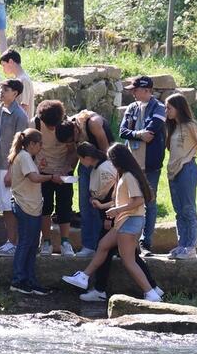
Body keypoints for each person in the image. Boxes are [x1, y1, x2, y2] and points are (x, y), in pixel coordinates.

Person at [62, 144, 163, 302]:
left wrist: (116, 211)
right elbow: (121, 200)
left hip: (130, 221)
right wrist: (103, 206)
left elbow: (138, 200)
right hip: (124, 221)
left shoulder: (129, 176)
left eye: (111, 159)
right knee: (103, 245)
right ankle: (83, 277)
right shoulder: (124, 176)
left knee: (128, 261)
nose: (110, 163)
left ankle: (150, 293)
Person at [119, 76, 167, 251]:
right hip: (132, 164)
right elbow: (123, 131)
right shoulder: (131, 107)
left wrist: (135, 133)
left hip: (151, 164)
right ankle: (130, 240)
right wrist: (138, 134)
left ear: (147, 90)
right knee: (130, 200)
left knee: (150, 202)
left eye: (136, 89)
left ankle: (146, 242)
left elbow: (151, 132)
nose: (132, 92)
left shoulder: (159, 108)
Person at [6, 128, 55, 295]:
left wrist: (40, 168)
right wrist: (51, 177)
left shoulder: (26, 157)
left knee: (33, 245)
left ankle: (29, 280)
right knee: (26, 243)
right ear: (32, 144)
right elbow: (33, 178)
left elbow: (30, 175)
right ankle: (18, 280)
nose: (41, 147)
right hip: (25, 206)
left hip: (30, 206)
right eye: (40, 144)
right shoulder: (25, 156)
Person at [164, 93, 197, 260]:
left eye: (169, 108)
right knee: (179, 211)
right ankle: (182, 245)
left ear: (178, 108)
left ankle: (191, 247)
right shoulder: (173, 127)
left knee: (188, 209)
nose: (166, 111)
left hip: (187, 170)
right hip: (173, 172)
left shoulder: (191, 125)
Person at [0, 79, 29, 256]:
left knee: (10, 206)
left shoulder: (20, 115)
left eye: (6, 89)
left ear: (15, 93)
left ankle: (14, 242)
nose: (1, 92)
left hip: (8, 167)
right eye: (1, 89)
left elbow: (20, 147)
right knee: (3, 206)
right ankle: (10, 241)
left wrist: (11, 171)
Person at [33, 101, 77, 256]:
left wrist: (65, 170)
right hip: (43, 173)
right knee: (45, 207)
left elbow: (73, 151)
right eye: (49, 125)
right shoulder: (35, 124)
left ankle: (65, 242)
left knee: (65, 207)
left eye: (54, 125)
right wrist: (38, 168)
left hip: (64, 173)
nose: (52, 128)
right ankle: (46, 241)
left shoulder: (68, 125)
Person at [70, 107, 113, 259]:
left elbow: (107, 151)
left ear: (76, 129)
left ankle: (106, 246)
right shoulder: (70, 126)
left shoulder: (93, 123)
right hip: (86, 164)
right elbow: (75, 152)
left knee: (103, 205)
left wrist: (102, 170)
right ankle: (88, 245)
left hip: (103, 164)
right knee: (85, 205)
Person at [0, 49, 35, 116]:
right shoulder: (18, 79)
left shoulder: (24, 80)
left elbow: (24, 106)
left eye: (4, 65)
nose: (3, 69)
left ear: (11, 61)